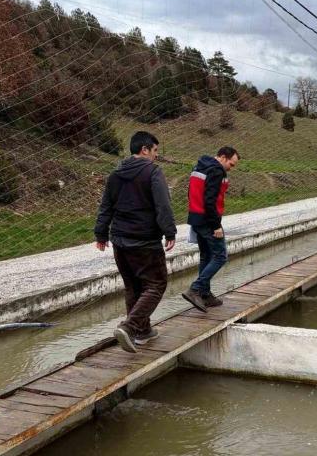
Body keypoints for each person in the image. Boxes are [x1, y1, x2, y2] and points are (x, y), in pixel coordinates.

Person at [94, 131, 177, 353]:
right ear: (144, 149)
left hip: (120, 241)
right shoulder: (153, 172)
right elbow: (163, 205)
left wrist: (101, 233)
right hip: (144, 241)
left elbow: (106, 206)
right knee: (156, 284)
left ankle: (143, 331)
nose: (156, 155)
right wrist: (169, 232)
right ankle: (129, 327)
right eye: (155, 150)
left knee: (133, 287)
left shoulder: (115, 174)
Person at [182, 146, 240, 311]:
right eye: (231, 164)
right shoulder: (216, 170)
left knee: (206, 256)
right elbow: (210, 200)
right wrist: (216, 226)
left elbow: (191, 192)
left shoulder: (199, 166)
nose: (231, 168)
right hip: (208, 220)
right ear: (223, 157)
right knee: (220, 256)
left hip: (196, 217)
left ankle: (205, 295)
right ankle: (195, 289)